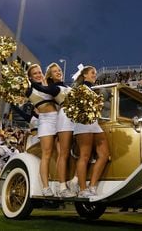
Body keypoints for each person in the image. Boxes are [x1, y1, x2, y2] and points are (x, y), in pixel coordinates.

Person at [72, 66, 110, 198]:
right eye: (92, 73)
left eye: (95, 73)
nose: (95, 75)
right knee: (85, 156)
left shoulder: (93, 89)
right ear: (85, 75)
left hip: (94, 124)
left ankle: (92, 186)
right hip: (83, 124)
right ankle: (82, 189)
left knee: (104, 155)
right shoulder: (81, 89)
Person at [25, 64, 59, 196]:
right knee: (47, 154)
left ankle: (61, 184)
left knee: (62, 153)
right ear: (30, 77)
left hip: (60, 121)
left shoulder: (49, 85)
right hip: (46, 121)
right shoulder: (30, 89)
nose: (39, 75)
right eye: (35, 73)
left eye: (40, 72)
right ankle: (45, 187)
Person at [45, 63, 76, 198]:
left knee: (78, 152)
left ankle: (74, 180)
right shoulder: (52, 88)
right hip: (65, 117)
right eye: (55, 71)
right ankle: (61, 186)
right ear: (50, 75)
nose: (58, 72)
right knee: (64, 154)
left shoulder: (69, 87)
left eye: (59, 70)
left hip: (76, 117)